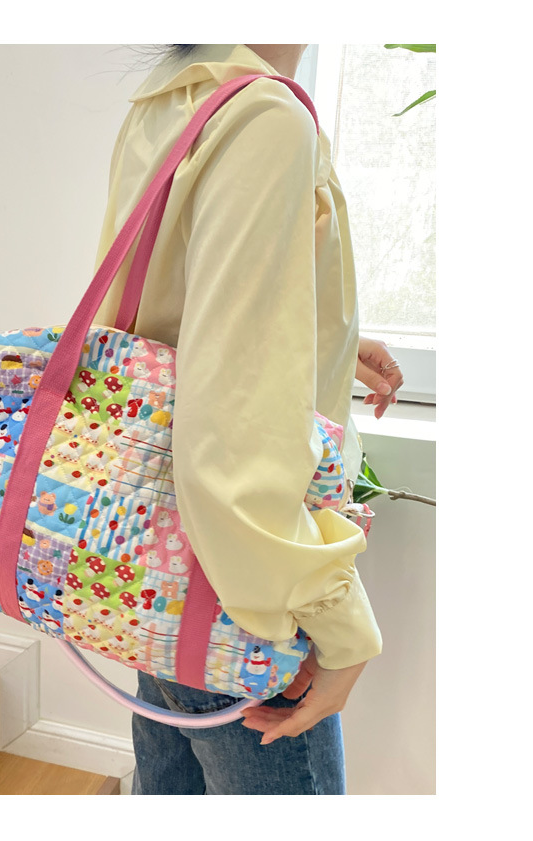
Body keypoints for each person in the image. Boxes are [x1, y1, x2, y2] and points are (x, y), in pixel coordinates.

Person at [91, 44, 405, 795]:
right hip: (244, 590)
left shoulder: (178, 91)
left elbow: (163, 316)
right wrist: (339, 625)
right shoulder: (266, 115)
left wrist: (322, 339)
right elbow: (230, 439)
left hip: (158, 562)